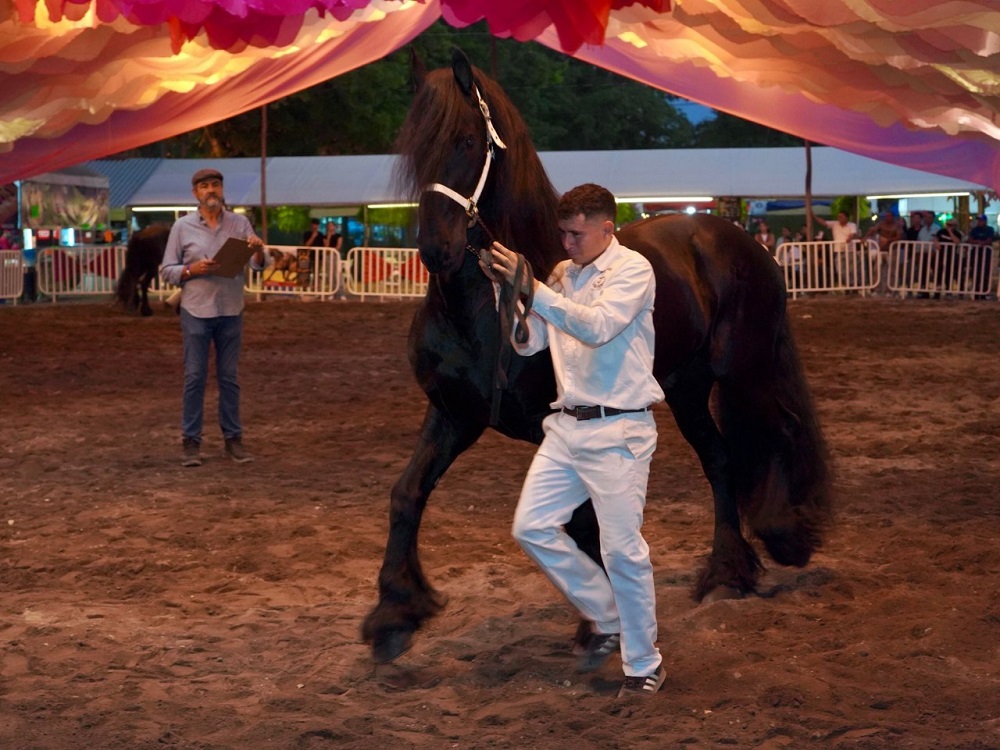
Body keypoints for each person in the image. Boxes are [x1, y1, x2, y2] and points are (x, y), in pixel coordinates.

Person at [482, 183, 666, 698]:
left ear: (607, 227)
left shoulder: (633, 270)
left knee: (623, 551)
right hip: (567, 426)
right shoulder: (564, 275)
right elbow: (531, 342)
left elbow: (599, 327)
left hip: (619, 430)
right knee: (531, 527)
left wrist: (534, 288)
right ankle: (606, 614)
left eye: (576, 233)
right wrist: (508, 292)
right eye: (563, 233)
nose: (566, 243)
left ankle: (644, 663)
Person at [160, 168, 268, 468]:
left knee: (229, 378)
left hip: (231, 308)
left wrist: (258, 252)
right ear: (195, 193)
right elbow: (167, 268)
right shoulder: (181, 227)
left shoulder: (240, 222)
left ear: (222, 190)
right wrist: (191, 270)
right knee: (194, 377)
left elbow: (259, 265)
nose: (211, 191)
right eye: (205, 186)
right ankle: (191, 442)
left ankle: (233, 440)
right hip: (195, 310)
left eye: (216, 185)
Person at [813, 210, 859, 287]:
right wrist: (813, 216)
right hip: (838, 251)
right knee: (840, 271)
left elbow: (853, 233)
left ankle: (852, 286)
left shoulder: (852, 225)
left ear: (847, 218)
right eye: (838, 217)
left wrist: (849, 238)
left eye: (841, 216)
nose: (839, 218)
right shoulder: (835, 224)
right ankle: (850, 284)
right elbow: (823, 222)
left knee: (851, 270)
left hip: (850, 251)